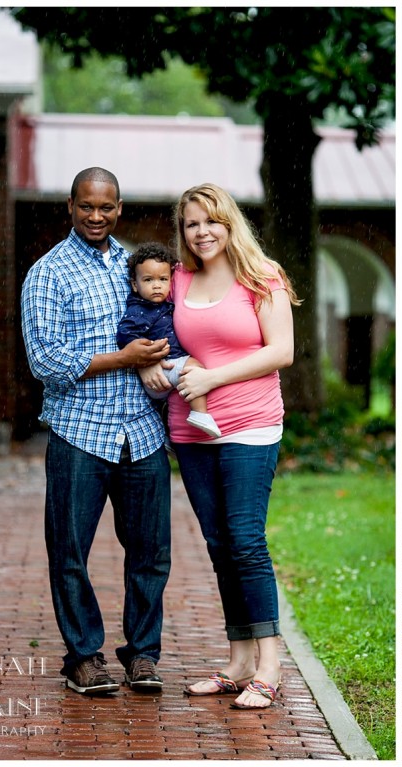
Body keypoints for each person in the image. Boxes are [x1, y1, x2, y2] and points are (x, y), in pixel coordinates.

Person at [144, 182, 298, 708]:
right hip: (192, 430)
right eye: (191, 223)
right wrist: (154, 369)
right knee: (217, 544)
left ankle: (270, 666)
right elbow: (158, 339)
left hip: (251, 424)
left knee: (245, 539)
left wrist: (212, 379)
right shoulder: (178, 280)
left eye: (211, 220)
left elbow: (282, 351)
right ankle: (237, 662)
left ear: (230, 223)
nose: (202, 231)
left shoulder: (262, 276)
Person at [21, 167, 173, 695]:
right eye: (87, 206)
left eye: (106, 207)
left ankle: (143, 655)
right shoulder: (48, 273)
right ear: (70, 206)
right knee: (69, 551)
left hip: (142, 433)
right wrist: (122, 358)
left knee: (151, 552)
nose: (96, 216)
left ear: (119, 208)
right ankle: (83, 656)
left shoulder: (135, 265)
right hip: (80, 433)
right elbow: (45, 361)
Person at [116, 241, 222, 438]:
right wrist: (147, 358)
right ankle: (200, 414)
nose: (157, 285)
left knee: (171, 398)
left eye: (163, 279)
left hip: (166, 371)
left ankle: (166, 434)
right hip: (163, 368)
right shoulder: (139, 310)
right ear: (134, 285)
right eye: (148, 280)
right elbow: (125, 334)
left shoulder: (164, 304)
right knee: (194, 367)